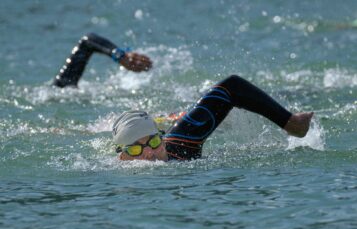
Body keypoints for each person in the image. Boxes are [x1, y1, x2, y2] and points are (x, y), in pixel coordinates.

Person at [53, 33, 313, 161]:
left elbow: (232, 85)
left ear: (162, 139)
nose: (151, 155)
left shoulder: (177, 146)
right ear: (122, 156)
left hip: (165, 119)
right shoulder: (110, 162)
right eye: (135, 149)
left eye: (155, 143)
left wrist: (288, 121)